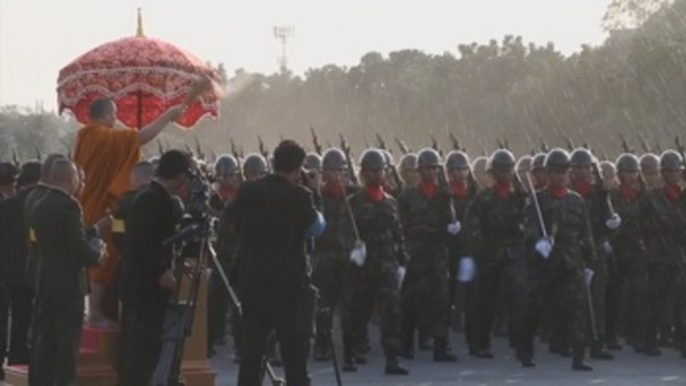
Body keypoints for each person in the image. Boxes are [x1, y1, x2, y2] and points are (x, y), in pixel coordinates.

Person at [74, 78, 208, 324]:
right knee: (102, 258)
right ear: (105, 115)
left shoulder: (84, 136)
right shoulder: (101, 136)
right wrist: (168, 116)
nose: (115, 121)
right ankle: (94, 312)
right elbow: (140, 138)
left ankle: (100, 310)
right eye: (113, 115)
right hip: (99, 207)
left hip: (89, 203)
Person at [234, 140, 325, 386]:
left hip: (253, 282)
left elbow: (233, 224)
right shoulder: (300, 196)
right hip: (288, 287)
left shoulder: (247, 191)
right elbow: (316, 229)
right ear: (298, 168)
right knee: (294, 356)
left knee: (252, 355)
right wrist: (315, 192)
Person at [117, 150, 192, 385]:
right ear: (178, 175)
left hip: (146, 284)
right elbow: (145, 242)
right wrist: (161, 272)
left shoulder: (157, 197)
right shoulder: (151, 199)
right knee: (142, 350)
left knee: (148, 350)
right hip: (144, 287)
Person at [28, 159, 105, 386]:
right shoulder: (70, 206)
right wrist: (98, 254)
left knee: (46, 343)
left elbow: (39, 244)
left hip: (45, 280)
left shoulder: (38, 204)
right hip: (68, 285)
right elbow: (78, 248)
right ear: (71, 179)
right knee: (67, 345)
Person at [518, 148, 596, 370]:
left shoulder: (577, 201)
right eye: (554, 172)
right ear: (548, 173)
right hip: (545, 263)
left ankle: (579, 356)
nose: (559, 176)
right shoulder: (537, 199)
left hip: (571, 262)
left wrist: (590, 261)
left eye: (563, 172)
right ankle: (525, 350)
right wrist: (537, 242)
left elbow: (585, 232)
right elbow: (530, 226)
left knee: (577, 310)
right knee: (535, 308)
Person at [340, 148, 409, 375]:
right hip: (363, 266)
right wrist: (354, 251)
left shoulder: (390, 202)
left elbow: (398, 233)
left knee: (392, 312)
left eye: (380, 171)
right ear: (363, 174)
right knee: (357, 311)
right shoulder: (353, 202)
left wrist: (402, 261)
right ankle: (352, 353)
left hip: (387, 265)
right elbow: (346, 232)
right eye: (371, 171)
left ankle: (392, 358)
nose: (377, 175)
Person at [464, 149, 528, 359]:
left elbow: (529, 222)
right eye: (502, 170)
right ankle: (479, 343)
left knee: (519, 299)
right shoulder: (483, 199)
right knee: (485, 300)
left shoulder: (520, 197)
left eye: (510, 169)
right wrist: (482, 251)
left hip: (513, 252)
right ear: (493, 173)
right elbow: (473, 228)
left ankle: (520, 343)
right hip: (490, 253)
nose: (507, 174)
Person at [398, 148, 457, 362]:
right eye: (426, 168)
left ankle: (441, 346)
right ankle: (406, 345)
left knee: (441, 301)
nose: (430, 172)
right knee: (410, 301)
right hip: (416, 252)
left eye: (434, 168)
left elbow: (451, 220)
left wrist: (452, 228)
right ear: (419, 170)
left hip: (438, 253)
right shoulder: (409, 195)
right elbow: (401, 224)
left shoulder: (444, 195)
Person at [0, 162, 41, 370]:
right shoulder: (41, 204)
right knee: (32, 318)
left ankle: (14, 359)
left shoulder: (6, 206)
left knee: (15, 317)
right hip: (36, 269)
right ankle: (25, 359)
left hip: (8, 271)